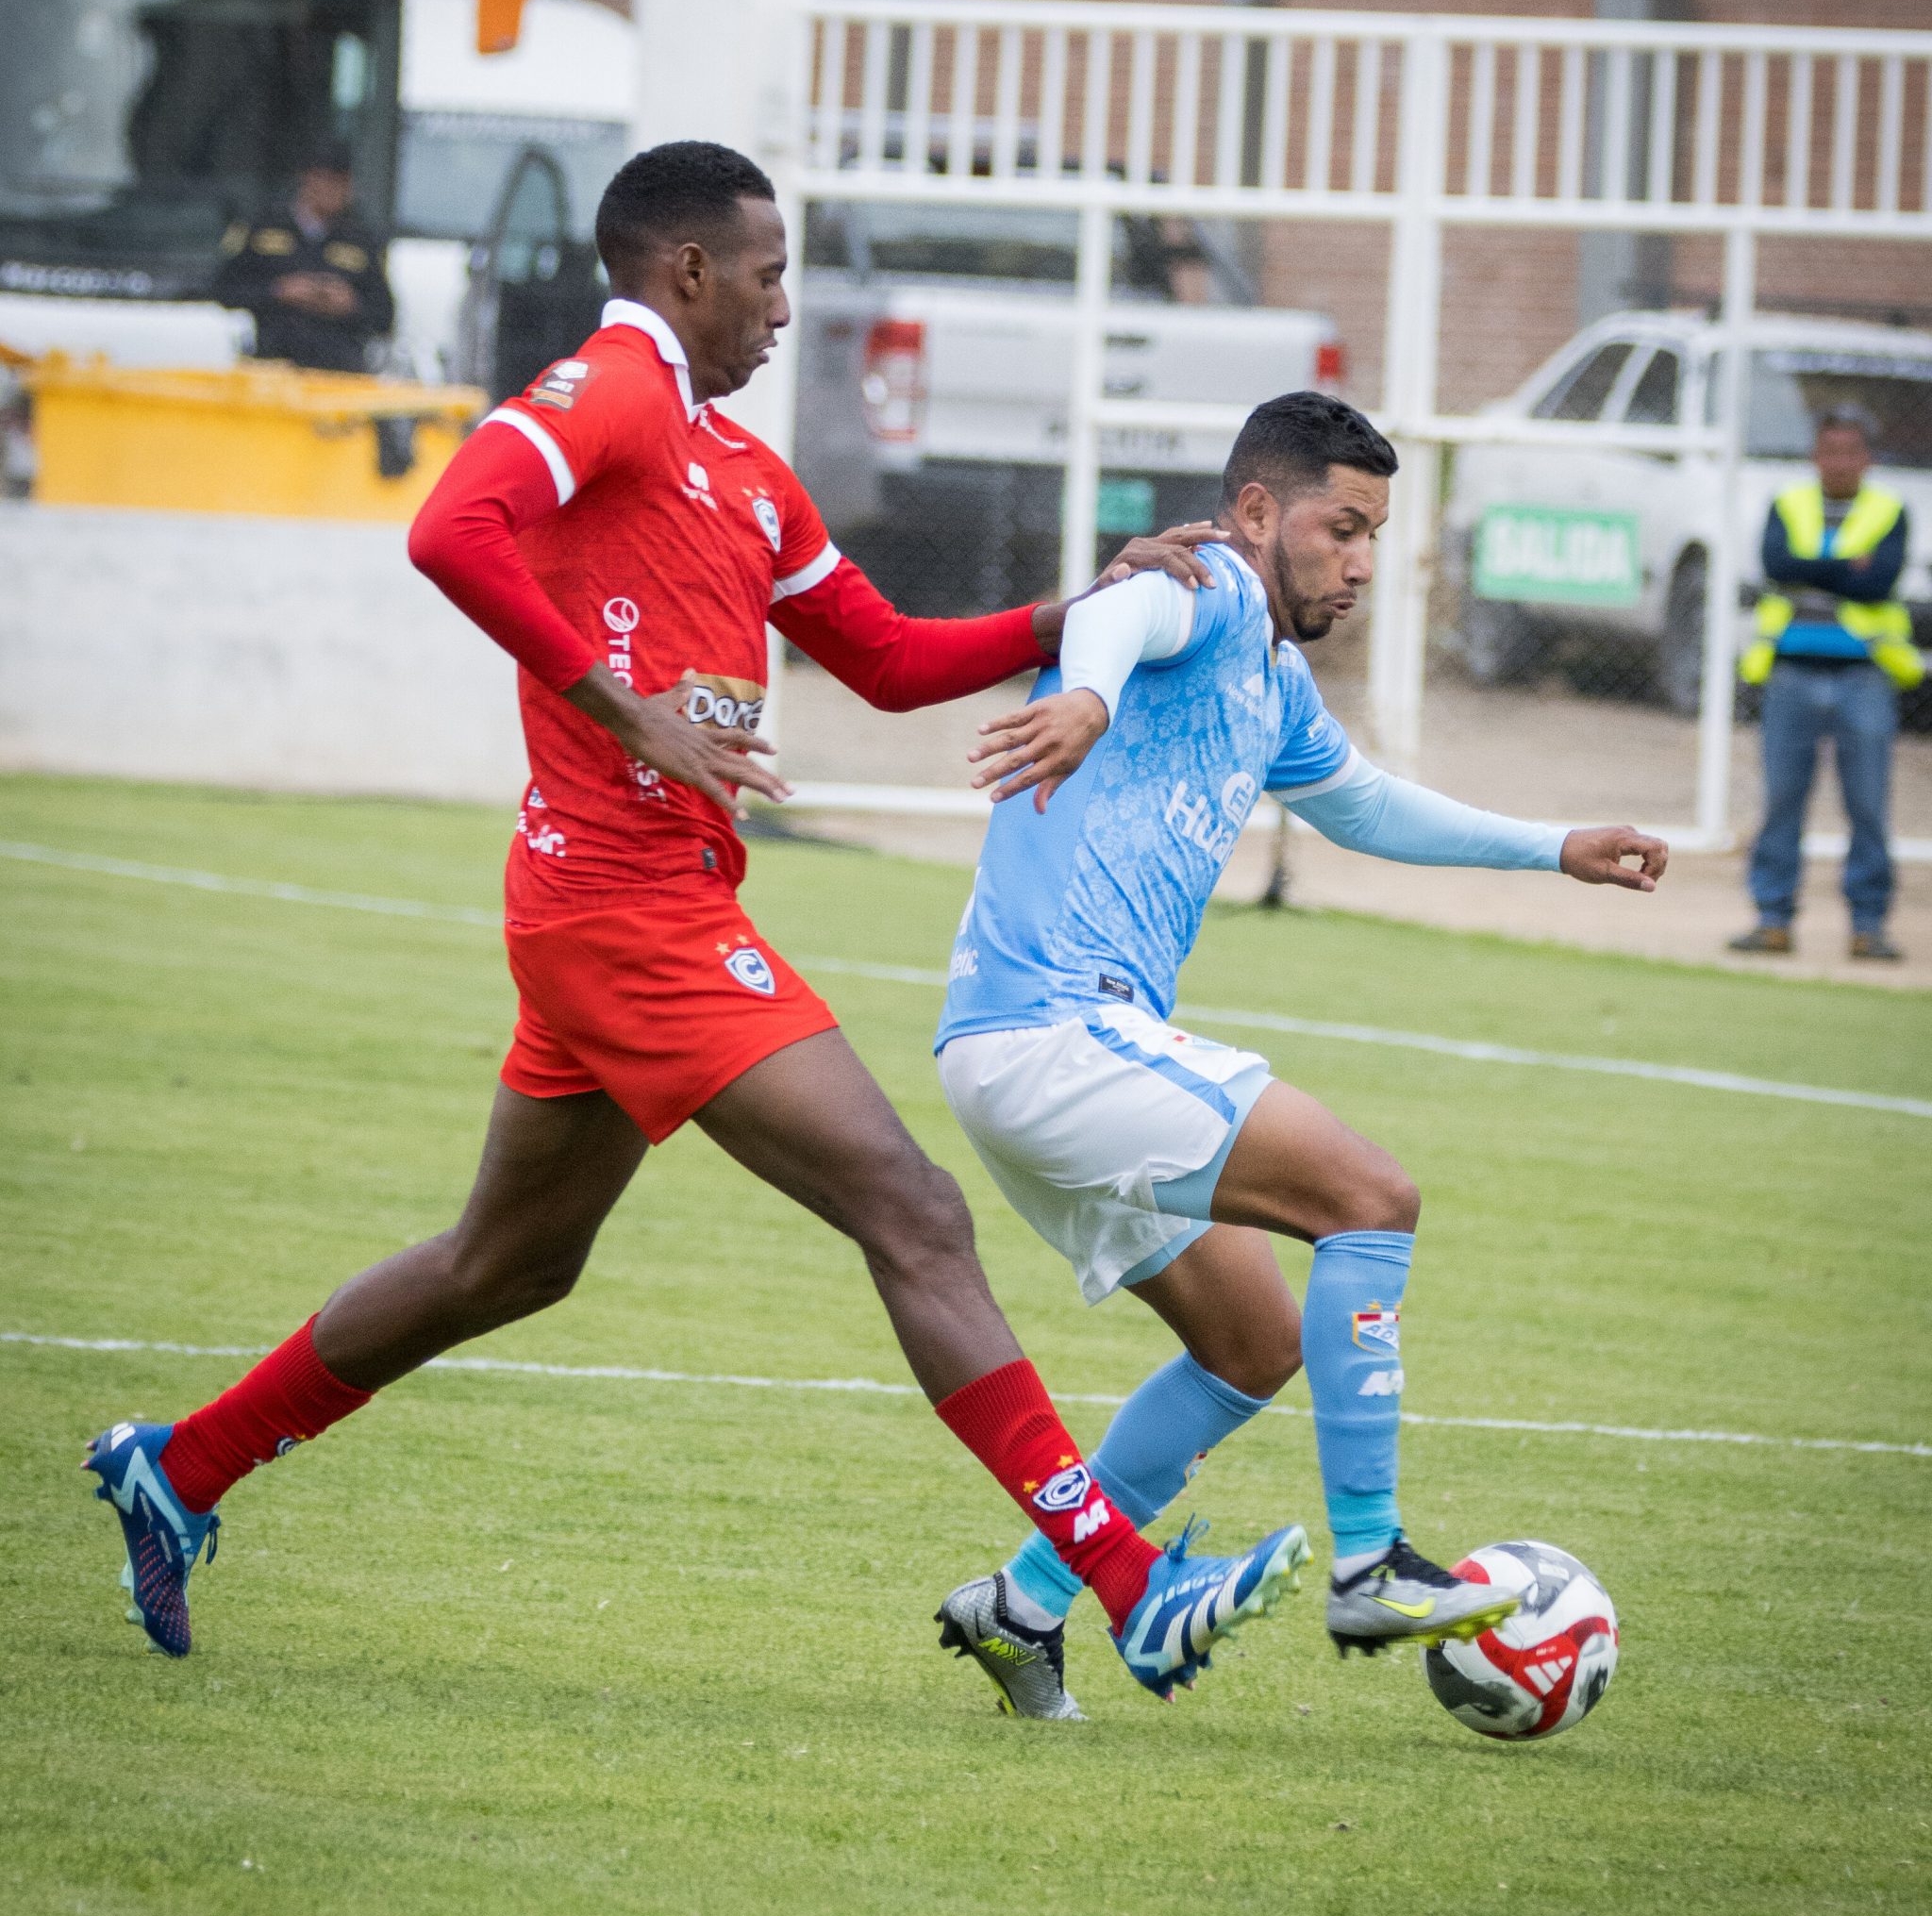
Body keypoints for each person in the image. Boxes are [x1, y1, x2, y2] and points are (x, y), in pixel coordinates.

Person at [84, 142, 1306, 1705]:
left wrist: (1082, 607)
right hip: (623, 910)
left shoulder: (734, 467)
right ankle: (1129, 1588)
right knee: (911, 1208)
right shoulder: (613, 389)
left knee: (503, 1267)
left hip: (632, 909)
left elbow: (882, 654)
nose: (785, 304)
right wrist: (622, 711)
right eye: (770, 271)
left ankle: (177, 1467)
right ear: (684, 274)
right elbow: (448, 526)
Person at [928, 392, 1669, 1722]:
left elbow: (1370, 805)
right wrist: (1089, 695)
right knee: (1370, 1199)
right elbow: (1115, 610)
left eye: (1378, 535)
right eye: (1345, 527)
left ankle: (1026, 1606)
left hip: (1043, 1051)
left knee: (1253, 1338)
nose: (1364, 563)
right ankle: (1372, 1562)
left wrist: (1550, 843)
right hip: (1055, 1031)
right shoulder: (1205, 585)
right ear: (1262, 512)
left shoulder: (1271, 678)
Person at [1730, 407, 1921, 962]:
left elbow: (1878, 583)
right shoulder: (1788, 504)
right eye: (1828, 450)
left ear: (1868, 458)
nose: (1838, 462)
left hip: (1864, 678)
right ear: (1815, 454)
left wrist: (1810, 567)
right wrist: (1844, 568)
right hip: (1790, 673)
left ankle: (1868, 926)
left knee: (1867, 806)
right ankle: (1772, 920)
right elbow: (1774, 564)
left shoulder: (1889, 511)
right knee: (1782, 802)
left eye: (1849, 451)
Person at [216, 142, 394, 373]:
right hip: (271, 365)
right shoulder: (263, 227)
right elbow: (223, 290)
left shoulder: (361, 238)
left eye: (343, 183)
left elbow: (384, 315)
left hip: (337, 370)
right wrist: (279, 292)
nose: (336, 191)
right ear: (308, 179)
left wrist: (350, 305)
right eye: (327, 180)